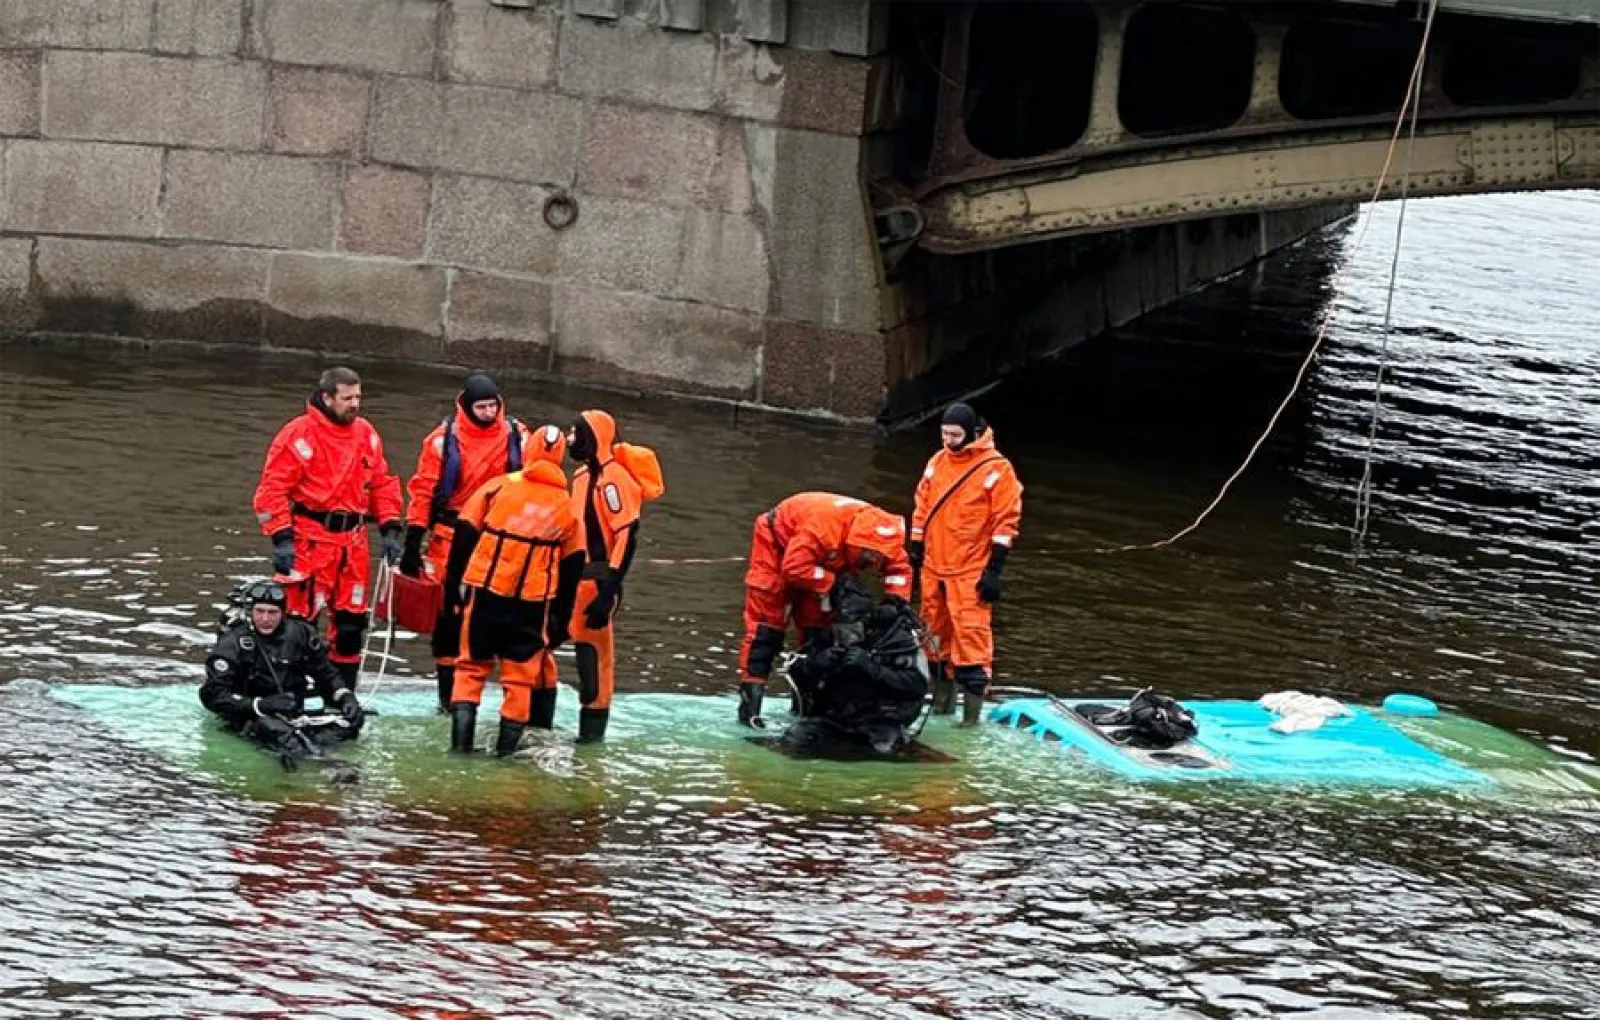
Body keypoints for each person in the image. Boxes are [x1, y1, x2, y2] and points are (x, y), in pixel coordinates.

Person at [252, 367, 404, 690]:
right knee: (299, 623)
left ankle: (341, 695)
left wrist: (390, 527)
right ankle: (289, 691)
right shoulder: (299, 434)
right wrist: (281, 538)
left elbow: (381, 484)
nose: (355, 404)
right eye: (347, 398)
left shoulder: (366, 434)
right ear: (327, 397)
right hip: (309, 540)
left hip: (353, 543)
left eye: (358, 397)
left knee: (351, 625)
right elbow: (271, 490)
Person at [441, 425, 584, 755]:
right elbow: (573, 566)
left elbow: (463, 534)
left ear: (531, 450)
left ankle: (460, 750)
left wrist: (452, 588)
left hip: (485, 595)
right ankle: (504, 757)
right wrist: (561, 619)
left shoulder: (498, 487)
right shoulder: (568, 505)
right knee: (520, 680)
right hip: (532, 606)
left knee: (470, 669)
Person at [399, 372, 535, 712]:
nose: (489, 412)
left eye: (493, 405)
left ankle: (490, 693)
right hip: (450, 536)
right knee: (448, 618)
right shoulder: (442, 441)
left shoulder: (518, 436)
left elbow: (537, 480)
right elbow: (423, 490)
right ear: (466, 405)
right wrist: (413, 540)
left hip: (501, 537)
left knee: (498, 616)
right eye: (482, 406)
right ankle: (448, 701)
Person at [736, 492, 913, 728]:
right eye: (868, 554)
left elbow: (899, 570)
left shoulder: (883, 538)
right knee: (765, 631)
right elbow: (795, 568)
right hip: (777, 547)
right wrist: (834, 583)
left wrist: (894, 602)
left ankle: (807, 707)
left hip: (822, 561)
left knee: (818, 633)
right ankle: (750, 710)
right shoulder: (821, 530)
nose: (872, 561)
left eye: (876, 556)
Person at [908, 402, 1023, 725]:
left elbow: (1005, 521)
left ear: (971, 433)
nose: (948, 440)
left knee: (971, 640)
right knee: (932, 637)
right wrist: (916, 546)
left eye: (954, 434)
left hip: (969, 569)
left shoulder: (996, 470)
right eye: (944, 433)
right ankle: (942, 704)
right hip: (934, 566)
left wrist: (994, 570)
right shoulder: (938, 461)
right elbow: (922, 505)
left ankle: (970, 718)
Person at [566, 410, 665, 744]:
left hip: (596, 584)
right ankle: (534, 722)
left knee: (593, 666)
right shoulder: (580, 477)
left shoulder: (614, 479)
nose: (570, 440)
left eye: (576, 433)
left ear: (593, 438)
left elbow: (626, 535)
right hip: (568, 583)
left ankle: (590, 741)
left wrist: (608, 592)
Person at [200, 579, 365, 764]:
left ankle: (316, 753)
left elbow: (326, 673)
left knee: (352, 723)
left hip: (294, 707)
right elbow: (212, 695)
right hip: (254, 711)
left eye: (272, 613)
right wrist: (259, 705)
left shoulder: (302, 634)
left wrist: (345, 697)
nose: (265, 619)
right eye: (259, 611)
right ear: (250, 612)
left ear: (283, 613)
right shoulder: (233, 643)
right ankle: (325, 764)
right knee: (277, 731)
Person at [780, 575, 930, 758]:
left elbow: (917, 686)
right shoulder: (827, 637)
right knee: (795, 738)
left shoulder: (895, 638)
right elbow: (795, 674)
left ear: (867, 621)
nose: (846, 634)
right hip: (835, 719)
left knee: (884, 751)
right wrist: (817, 663)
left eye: (852, 627)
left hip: (880, 722)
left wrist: (873, 669)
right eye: (841, 627)